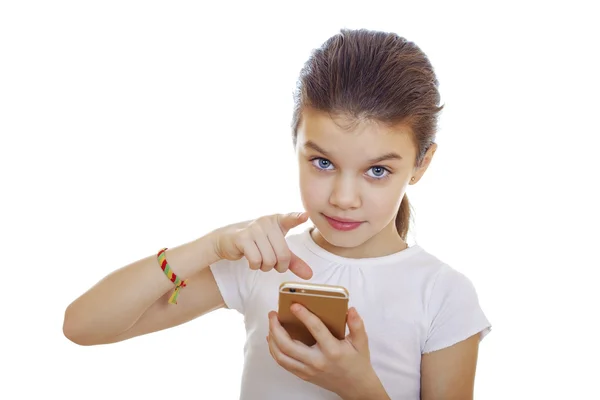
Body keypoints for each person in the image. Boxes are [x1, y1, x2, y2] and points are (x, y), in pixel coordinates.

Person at [63, 28, 491, 400]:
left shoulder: (442, 294)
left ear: (421, 164)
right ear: (296, 145)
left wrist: (359, 388)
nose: (344, 198)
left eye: (377, 170)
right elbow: (82, 325)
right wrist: (209, 246)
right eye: (322, 162)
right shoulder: (265, 262)